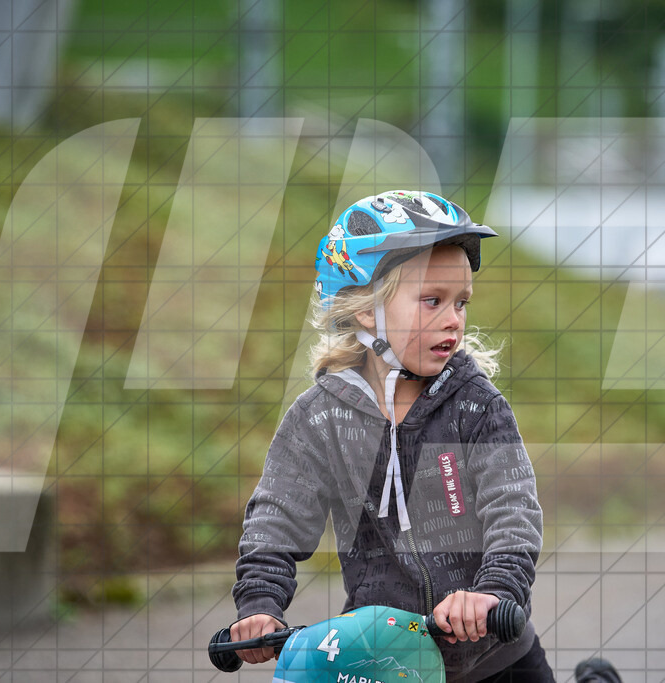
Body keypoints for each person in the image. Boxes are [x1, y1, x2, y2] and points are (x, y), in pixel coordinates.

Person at [229, 190, 558, 682]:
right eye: (432, 301)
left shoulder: (477, 407)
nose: (454, 319)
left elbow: (513, 510)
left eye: (461, 302)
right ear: (367, 310)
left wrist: (494, 593)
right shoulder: (319, 419)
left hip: (495, 659)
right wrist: (260, 603)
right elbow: (276, 519)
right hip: (385, 660)